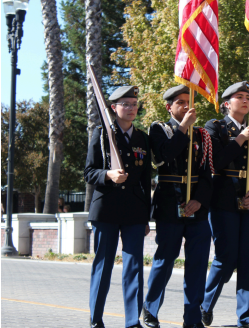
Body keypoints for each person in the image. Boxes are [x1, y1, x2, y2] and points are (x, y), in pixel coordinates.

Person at [142, 85, 213, 328]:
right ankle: (150, 310)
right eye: (180, 102)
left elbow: (206, 173)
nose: (185, 105)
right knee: (165, 259)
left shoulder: (202, 135)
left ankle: (192, 318)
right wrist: (184, 127)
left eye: (187, 101)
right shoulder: (159, 128)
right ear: (168, 107)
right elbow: (164, 156)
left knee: (197, 265)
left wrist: (199, 200)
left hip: (197, 207)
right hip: (169, 203)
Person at [201, 82, 249, 328]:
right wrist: (240, 139)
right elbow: (216, 162)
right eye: (239, 96)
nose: (244, 100)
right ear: (226, 103)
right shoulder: (215, 127)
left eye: (247, 96)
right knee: (226, 256)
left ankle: (246, 316)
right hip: (224, 200)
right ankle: (205, 305)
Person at [84, 86, 151, 328]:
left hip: (134, 210)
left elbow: (145, 180)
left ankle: (133, 322)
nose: (132, 108)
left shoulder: (142, 138)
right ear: (113, 108)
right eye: (126, 104)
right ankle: (96, 319)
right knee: (103, 265)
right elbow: (89, 172)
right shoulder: (101, 134)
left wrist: (146, 217)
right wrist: (109, 175)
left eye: (134, 103)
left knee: (134, 267)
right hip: (107, 209)